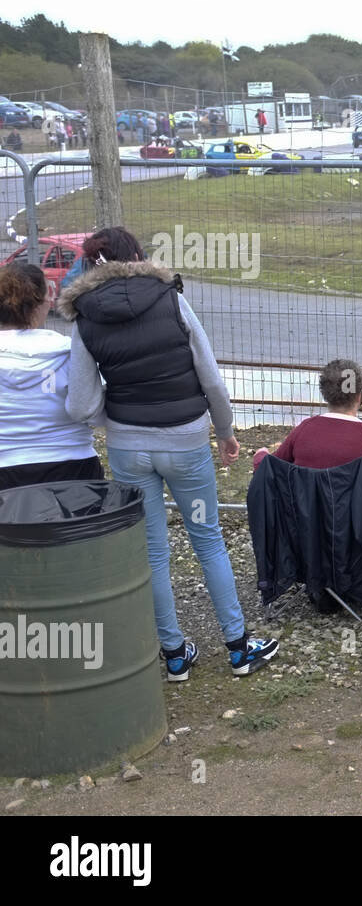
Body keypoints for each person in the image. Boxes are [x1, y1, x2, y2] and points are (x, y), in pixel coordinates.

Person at [60, 227, 278, 681]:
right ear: (138, 256)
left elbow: (80, 405)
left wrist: (114, 417)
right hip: (186, 445)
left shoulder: (83, 316)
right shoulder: (170, 297)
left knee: (153, 552)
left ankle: (175, 656)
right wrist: (224, 430)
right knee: (208, 539)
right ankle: (239, 649)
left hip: (128, 450)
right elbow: (211, 378)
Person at [0, 264, 101, 491]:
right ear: (40, 303)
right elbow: (95, 410)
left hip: (5, 469)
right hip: (73, 466)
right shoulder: (68, 350)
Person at [253, 358, 362, 508]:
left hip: (306, 526)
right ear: (360, 396)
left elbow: (269, 470)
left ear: (325, 394)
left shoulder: (305, 429)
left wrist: (260, 455)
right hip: (357, 527)